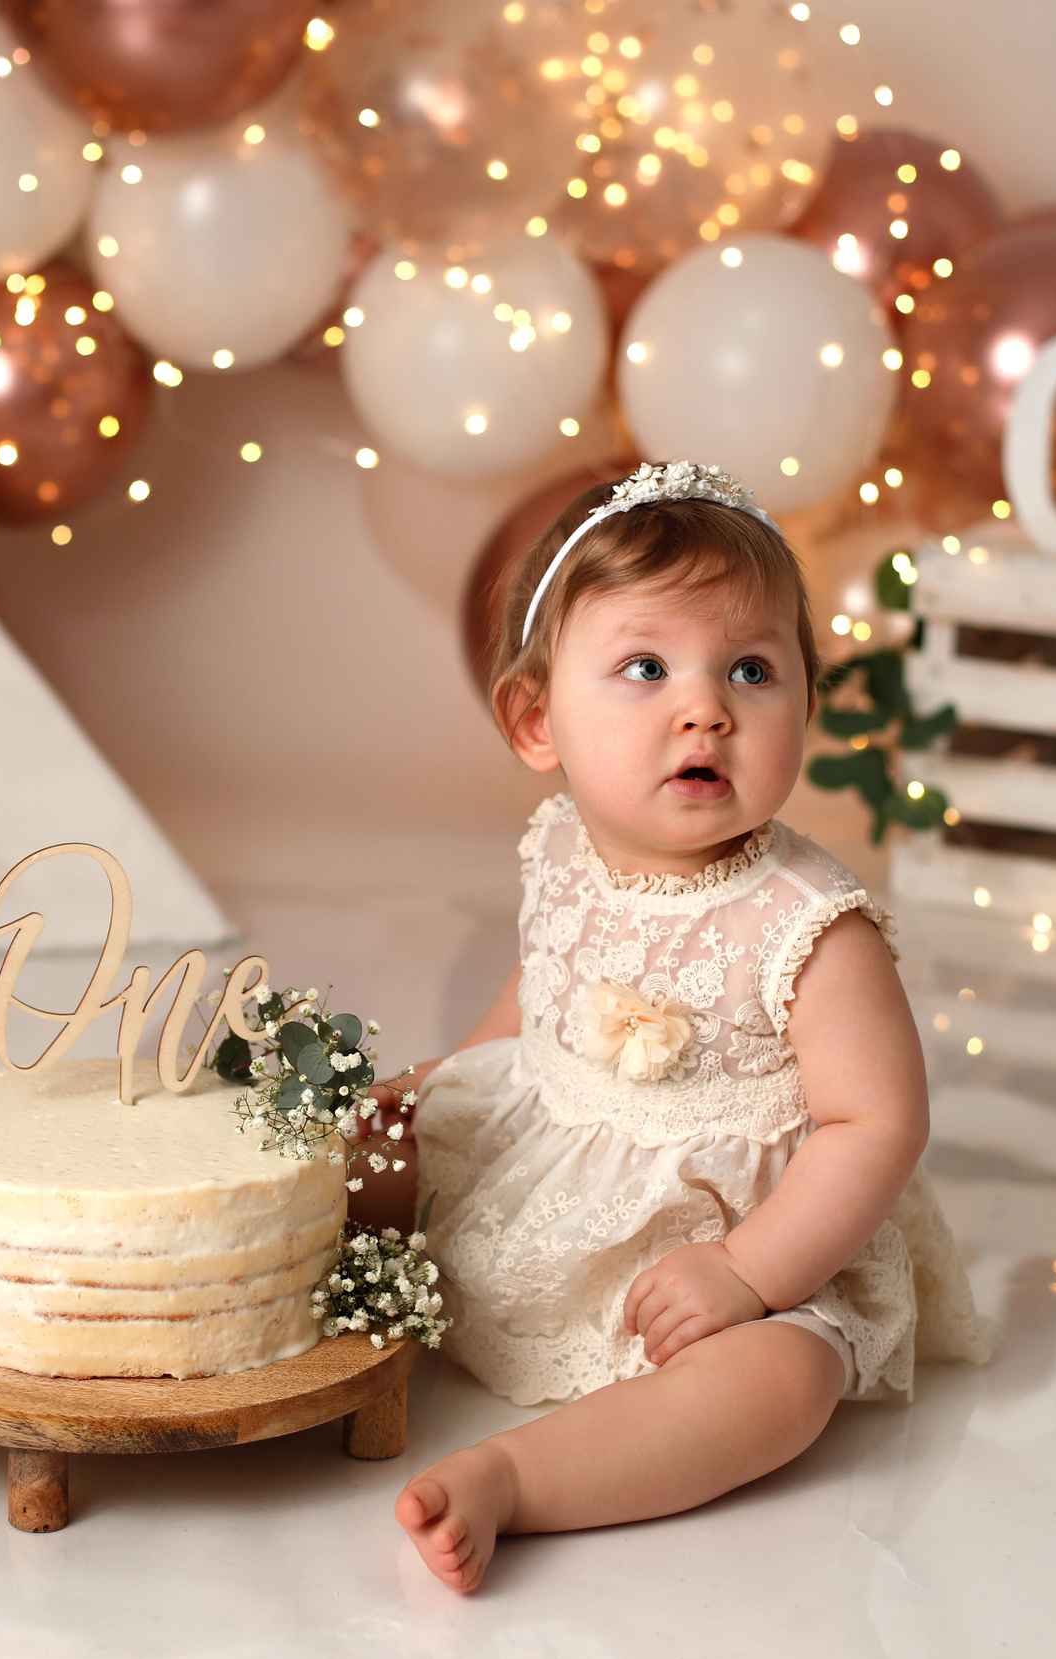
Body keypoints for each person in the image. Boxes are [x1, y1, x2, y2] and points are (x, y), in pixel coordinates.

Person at [367, 461, 992, 1593]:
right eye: (644, 667)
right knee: (358, 1152)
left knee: (783, 1388)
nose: (704, 707)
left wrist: (750, 1276)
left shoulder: (812, 927)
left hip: (749, 1234)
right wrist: (446, 1081)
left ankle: (518, 1478)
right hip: (558, 1160)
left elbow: (875, 1122)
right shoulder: (559, 844)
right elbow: (542, 988)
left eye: (751, 669)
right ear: (534, 718)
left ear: (806, 700)